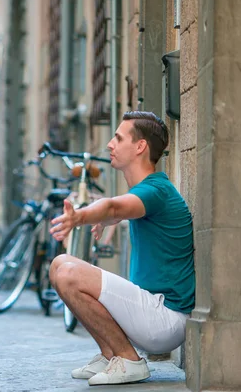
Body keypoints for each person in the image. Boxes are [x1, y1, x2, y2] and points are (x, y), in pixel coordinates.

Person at [49, 111, 195, 386]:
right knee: (58, 265)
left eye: (118, 138)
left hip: (166, 317)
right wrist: (108, 218)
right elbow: (122, 209)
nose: (109, 145)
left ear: (140, 147)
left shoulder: (156, 191)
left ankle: (129, 360)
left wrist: (79, 216)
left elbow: (114, 205)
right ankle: (111, 354)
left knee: (69, 273)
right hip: (151, 310)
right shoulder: (149, 192)